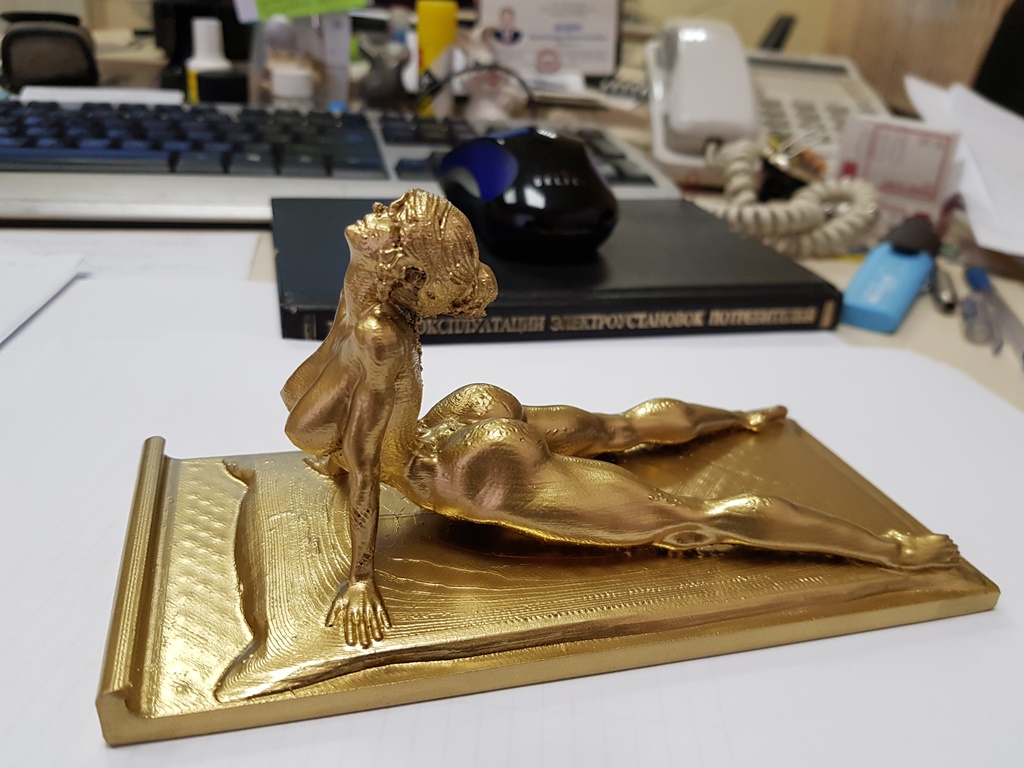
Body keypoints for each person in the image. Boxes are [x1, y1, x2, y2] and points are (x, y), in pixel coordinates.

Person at [282, 190, 958, 649]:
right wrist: (338, 459)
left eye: (394, 218)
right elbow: (335, 428)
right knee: (619, 428)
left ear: (401, 265)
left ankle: (891, 552)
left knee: (687, 519)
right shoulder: (366, 292)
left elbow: (363, 459)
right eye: (395, 209)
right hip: (461, 421)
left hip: (466, 472)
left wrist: (362, 577)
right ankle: (745, 418)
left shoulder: (375, 325)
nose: (377, 212)